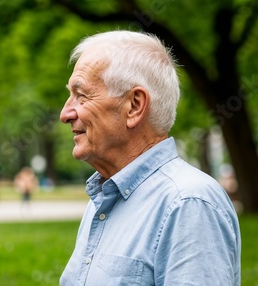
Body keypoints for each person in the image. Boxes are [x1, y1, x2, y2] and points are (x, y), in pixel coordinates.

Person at [59, 30, 241, 285]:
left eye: (81, 95)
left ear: (134, 105)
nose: (65, 113)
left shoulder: (188, 203)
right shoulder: (102, 200)